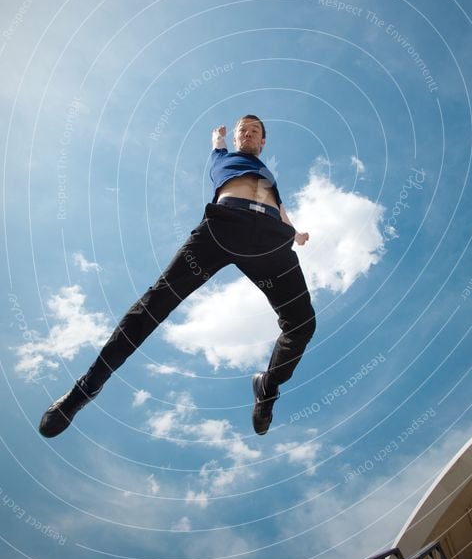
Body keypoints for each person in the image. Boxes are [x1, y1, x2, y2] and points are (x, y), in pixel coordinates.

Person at [39, 115, 316, 438]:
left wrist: (294, 232)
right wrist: (219, 140)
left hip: (269, 238)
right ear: (236, 139)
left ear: (263, 141)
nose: (249, 132)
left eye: (255, 130)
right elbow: (218, 147)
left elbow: (279, 208)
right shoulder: (222, 158)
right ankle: (85, 389)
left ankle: (267, 387)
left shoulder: (268, 177)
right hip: (224, 225)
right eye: (244, 129)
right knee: (155, 302)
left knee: (302, 322)